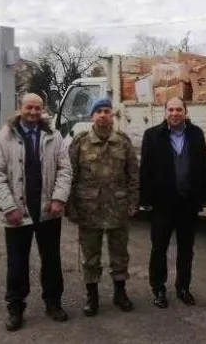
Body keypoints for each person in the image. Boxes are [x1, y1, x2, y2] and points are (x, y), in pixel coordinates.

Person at [0, 93, 72, 331]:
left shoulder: (54, 137)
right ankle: (15, 308)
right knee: (17, 264)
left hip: (48, 211)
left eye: (38, 108)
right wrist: (8, 207)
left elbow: (65, 170)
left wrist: (58, 198)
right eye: (29, 107)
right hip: (17, 213)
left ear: (43, 110)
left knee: (52, 261)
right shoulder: (4, 137)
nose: (34, 112)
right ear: (19, 108)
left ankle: (53, 303)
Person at [66, 97, 139, 316]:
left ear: (112, 115)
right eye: (99, 112)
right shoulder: (80, 142)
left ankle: (120, 293)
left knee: (119, 254)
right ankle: (92, 297)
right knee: (91, 255)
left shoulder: (123, 142)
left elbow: (133, 175)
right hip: (89, 208)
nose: (103, 115)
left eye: (107, 111)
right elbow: (69, 175)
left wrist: (134, 202)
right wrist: (71, 206)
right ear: (92, 116)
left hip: (118, 207)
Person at [140, 97, 206, 309]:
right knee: (159, 249)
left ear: (185, 112)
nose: (174, 113)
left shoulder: (196, 134)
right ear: (165, 112)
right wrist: (145, 201)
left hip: (188, 204)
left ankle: (183, 288)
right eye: (170, 110)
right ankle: (159, 289)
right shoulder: (152, 135)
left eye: (178, 109)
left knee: (186, 249)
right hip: (162, 205)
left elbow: (203, 167)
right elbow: (146, 170)